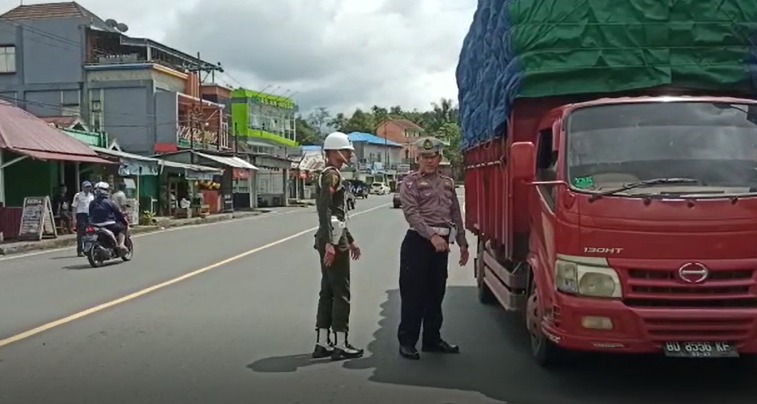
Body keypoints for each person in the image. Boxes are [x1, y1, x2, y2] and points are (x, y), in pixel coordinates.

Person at [397, 137, 469, 360]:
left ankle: (432, 339)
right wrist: (432, 236)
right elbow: (412, 214)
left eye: (434, 156)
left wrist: (463, 242)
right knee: (413, 295)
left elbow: (455, 214)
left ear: (439, 158)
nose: (430, 161)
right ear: (418, 158)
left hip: (441, 246)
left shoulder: (447, 183)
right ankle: (407, 342)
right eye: (425, 157)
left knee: (436, 294)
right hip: (418, 244)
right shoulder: (409, 183)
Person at [312, 131, 364, 361]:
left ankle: (323, 342)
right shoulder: (331, 176)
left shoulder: (329, 174)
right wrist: (332, 244)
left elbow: (336, 214)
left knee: (328, 291)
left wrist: (350, 239)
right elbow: (326, 210)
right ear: (334, 152)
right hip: (333, 238)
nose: (349, 155)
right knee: (341, 292)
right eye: (346, 151)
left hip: (331, 236)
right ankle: (341, 343)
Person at [88, 181, 129, 252]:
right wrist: (123, 219)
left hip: (94, 225)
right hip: (109, 224)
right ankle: (121, 244)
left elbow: (90, 213)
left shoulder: (92, 203)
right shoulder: (110, 202)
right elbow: (118, 213)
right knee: (122, 227)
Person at [71, 181, 94, 257]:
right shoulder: (78, 195)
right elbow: (74, 207)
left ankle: (88, 249)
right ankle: (80, 250)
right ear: (82, 188)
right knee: (81, 233)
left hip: (89, 216)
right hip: (81, 215)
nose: (88, 189)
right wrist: (74, 218)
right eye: (86, 187)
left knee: (90, 233)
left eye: (89, 187)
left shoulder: (92, 196)